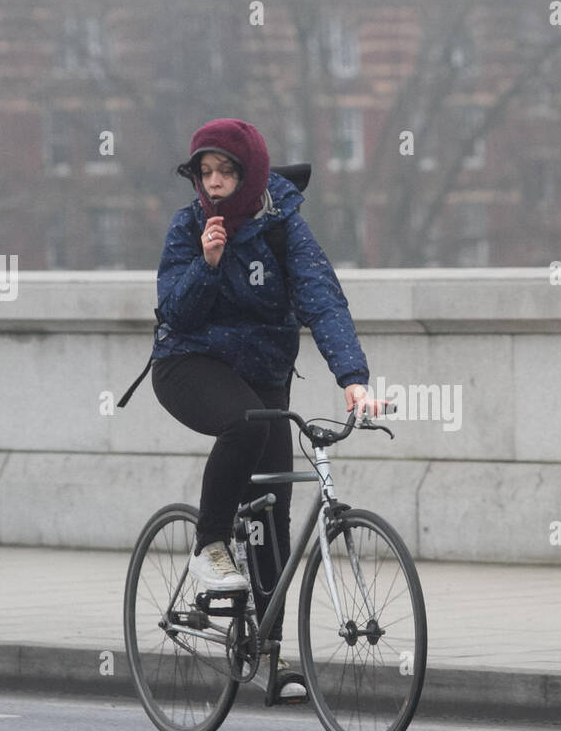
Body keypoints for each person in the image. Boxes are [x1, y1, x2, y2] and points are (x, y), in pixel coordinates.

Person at [149, 117, 386, 701]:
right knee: (242, 424)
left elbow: (323, 299)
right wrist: (206, 265)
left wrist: (353, 379)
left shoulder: (284, 230)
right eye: (205, 173)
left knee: (271, 513)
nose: (214, 184)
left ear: (249, 174)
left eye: (225, 172)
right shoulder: (189, 228)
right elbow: (174, 313)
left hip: (264, 374)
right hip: (189, 363)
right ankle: (208, 545)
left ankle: (269, 658)